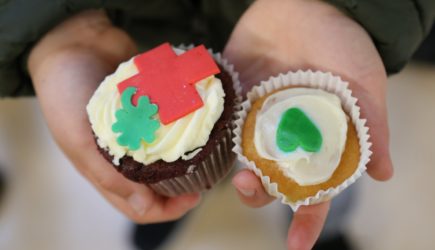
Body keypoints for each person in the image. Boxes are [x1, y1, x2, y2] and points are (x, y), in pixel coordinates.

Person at [0, 0, 434, 249]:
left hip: (299, 46)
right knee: (183, 179)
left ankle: (331, 230)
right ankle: (178, 203)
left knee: (325, 176)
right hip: (139, 43)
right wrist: (54, 30)